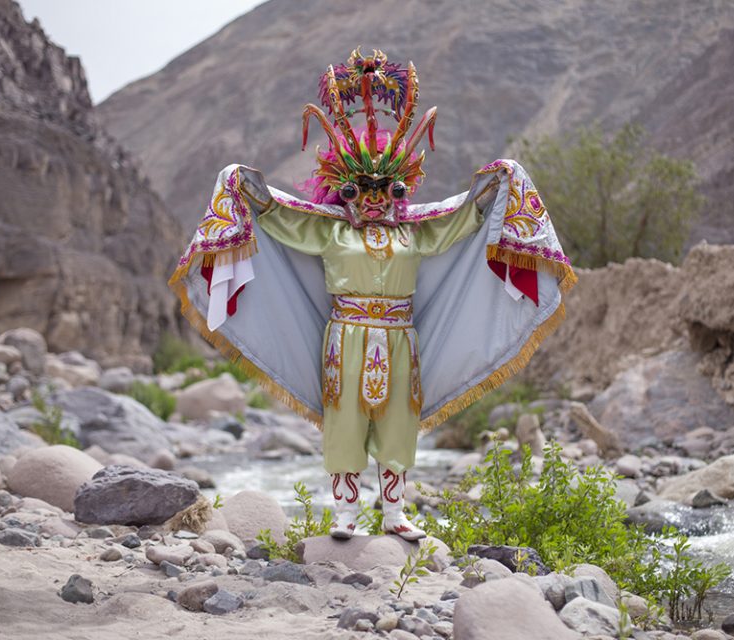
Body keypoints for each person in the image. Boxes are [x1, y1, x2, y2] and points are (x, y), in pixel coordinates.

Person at [169, 48, 576, 541]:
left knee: (400, 423)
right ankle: (344, 514)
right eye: (364, 188)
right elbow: (281, 216)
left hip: (401, 336)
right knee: (344, 421)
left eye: (387, 188)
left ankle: (394, 513)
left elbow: (461, 220)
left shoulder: (416, 233)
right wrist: (244, 187)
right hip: (345, 336)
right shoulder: (330, 232)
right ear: (347, 189)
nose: (376, 198)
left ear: (399, 189)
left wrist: (496, 187)